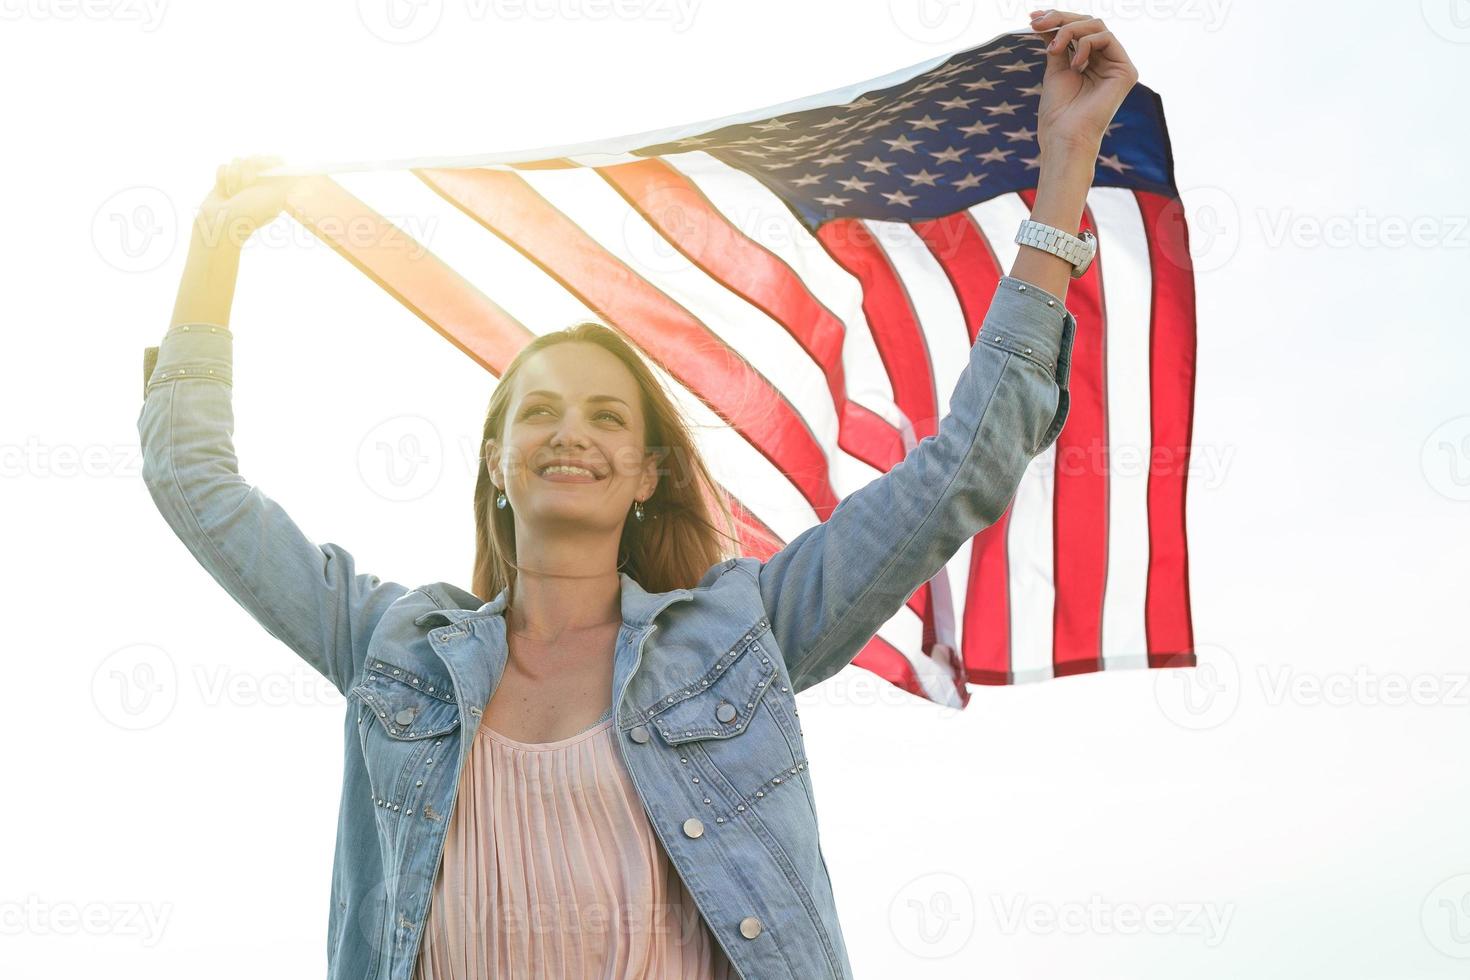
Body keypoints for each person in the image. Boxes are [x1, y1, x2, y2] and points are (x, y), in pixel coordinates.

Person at [137, 10, 1137, 978]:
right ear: (497, 461)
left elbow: (963, 465)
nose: (571, 432)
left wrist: (1064, 173)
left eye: (609, 417)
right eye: (540, 414)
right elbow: (196, 485)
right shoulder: (395, 647)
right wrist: (213, 258)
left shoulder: (746, 628)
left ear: (653, 471)